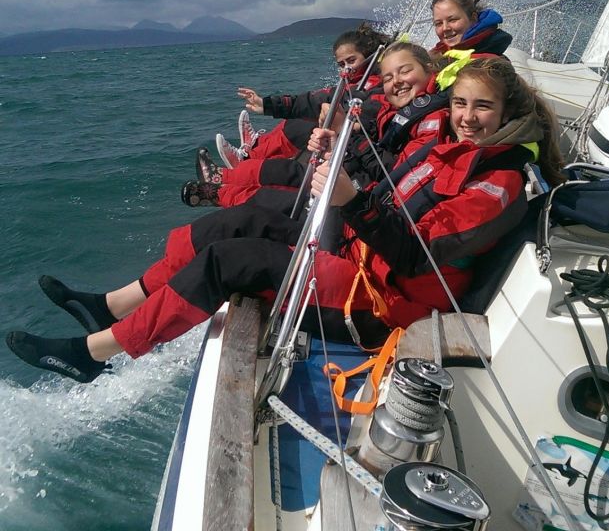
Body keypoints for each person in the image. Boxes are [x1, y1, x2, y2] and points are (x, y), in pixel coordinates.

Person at [5, 56, 564, 384]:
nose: (466, 117)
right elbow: (391, 196)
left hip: (384, 305)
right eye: (461, 104)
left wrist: (353, 200)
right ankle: (112, 305)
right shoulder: (454, 149)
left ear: (508, 114)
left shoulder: (501, 181)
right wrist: (344, 176)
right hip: (361, 255)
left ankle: (93, 354)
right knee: (236, 221)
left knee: (232, 260)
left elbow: (419, 254)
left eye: (482, 107)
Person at [183, 42, 448, 210]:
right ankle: (228, 175)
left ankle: (221, 189)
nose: (396, 81)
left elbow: (390, 172)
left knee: (285, 189)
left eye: (405, 71)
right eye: (389, 76)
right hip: (358, 169)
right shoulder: (392, 100)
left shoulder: (433, 121)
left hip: (363, 198)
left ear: (428, 68)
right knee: (293, 161)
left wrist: (347, 135)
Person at [215, 23, 390, 168]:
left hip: (352, 148)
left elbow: (368, 121)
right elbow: (310, 100)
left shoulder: (376, 87)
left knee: (301, 125)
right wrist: (265, 104)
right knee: (301, 113)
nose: (347, 68)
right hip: (339, 138)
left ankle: (247, 159)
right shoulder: (351, 85)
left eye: (351, 61)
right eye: (341, 64)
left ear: (370, 56)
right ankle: (257, 145)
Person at [429, 0, 513, 89]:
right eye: (438, 23)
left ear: (473, 18)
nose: (445, 28)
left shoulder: (491, 64)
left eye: (452, 20)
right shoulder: (438, 55)